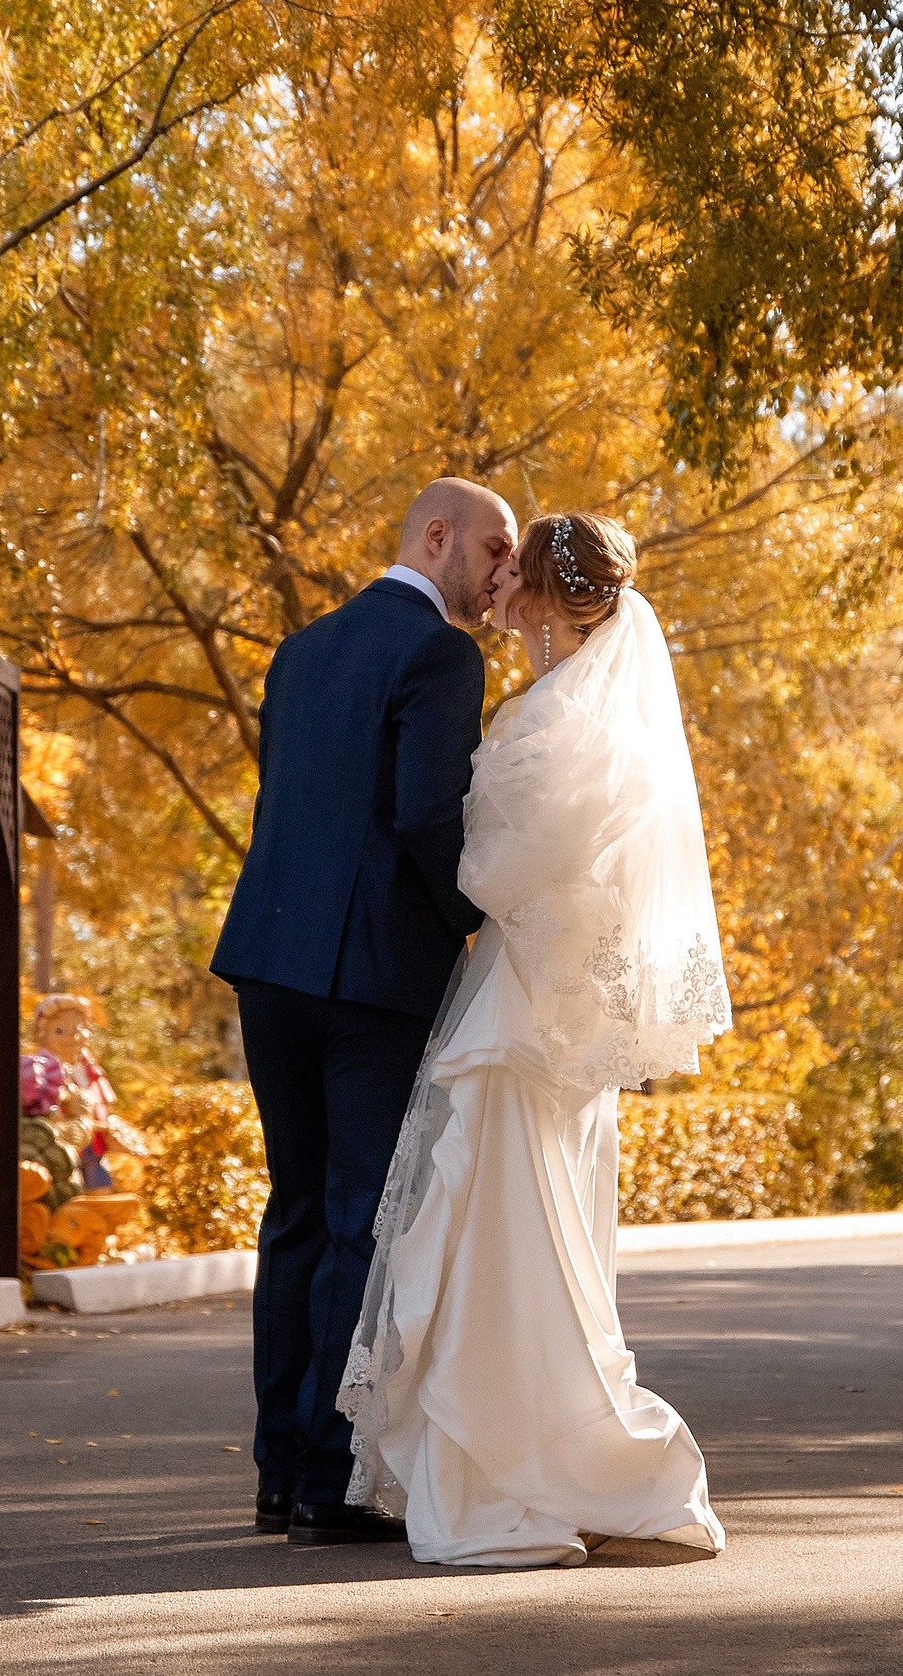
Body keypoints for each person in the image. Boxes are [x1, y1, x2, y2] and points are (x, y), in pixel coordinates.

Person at [338, 512, 733, 1566]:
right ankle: (536, 1451)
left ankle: (512, 1469)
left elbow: (495, 873)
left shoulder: (560, 721)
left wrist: (443, 846)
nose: (498, 577)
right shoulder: (582, 713)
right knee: (517, 1231)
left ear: (546, 599)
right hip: (540, 1012)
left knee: (503, 1229)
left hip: (522, 1020)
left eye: (514, 565)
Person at [209, 475, 517, 1546]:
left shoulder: (298, 652)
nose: (501, 572)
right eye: (493, 548)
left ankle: (275, 1471)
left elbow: (290, 804)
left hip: (267, 961)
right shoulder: (441, 655)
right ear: (436, 536)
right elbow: (427, 812)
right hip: (372, 976)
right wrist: (473, 918)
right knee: (356, 1220)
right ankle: (328, 1482)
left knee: (294, 1211)